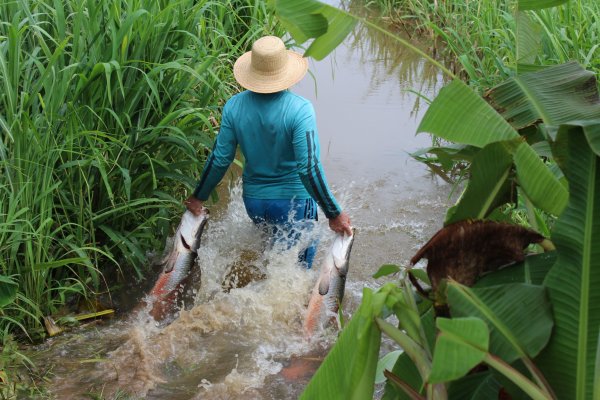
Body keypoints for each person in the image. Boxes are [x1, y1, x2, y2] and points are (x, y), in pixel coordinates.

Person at [184, 35, 352, 268]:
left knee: (271, 261)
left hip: (254, 202)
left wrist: (198, 197)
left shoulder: (234, 106)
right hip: (294, 204)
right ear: (286, 71)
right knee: (296, 273)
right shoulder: (300, 110)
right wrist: (334, 213)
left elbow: (220, 159)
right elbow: (308, 168)